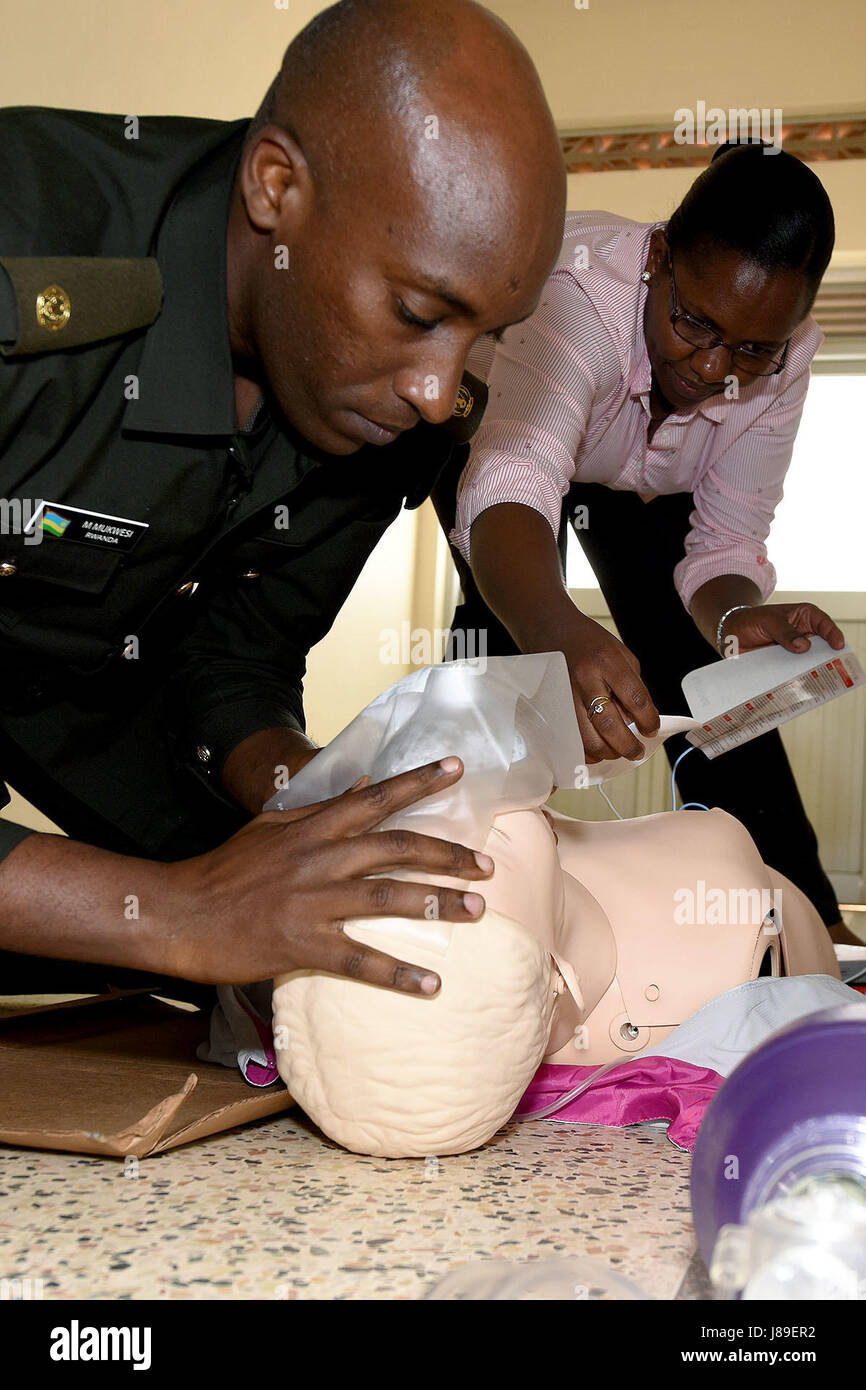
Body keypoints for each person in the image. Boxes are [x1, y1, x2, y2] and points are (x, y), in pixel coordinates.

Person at [0, 0, 567, 998]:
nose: (439, 389)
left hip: (80, 717)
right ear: (277, 187)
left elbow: (231, 654)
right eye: (419, 312)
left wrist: (306, 791)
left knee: (292, 970)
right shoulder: (31, 246)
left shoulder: (386, 404)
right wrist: (173, 915)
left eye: (484, 335)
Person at [437, 141, 854, 942]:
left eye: (752, 351)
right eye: (694, 321)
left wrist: (734, 621)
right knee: (508, 647)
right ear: (658, 258)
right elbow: (514, 481)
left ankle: (798, 921)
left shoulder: (783, 358)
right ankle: (470, 901)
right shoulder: (581, 299)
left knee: (703, 670)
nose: (712, 366)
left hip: (641, 468)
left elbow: (726, 537)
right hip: (507, 431)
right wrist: (558, 630)